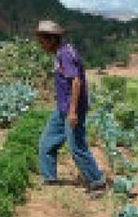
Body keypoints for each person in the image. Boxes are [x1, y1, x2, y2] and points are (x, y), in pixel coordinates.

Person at [34, 19, 106, 194]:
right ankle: (49, 178)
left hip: (71, 110)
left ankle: (97, 182)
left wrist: (73, 111)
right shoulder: (62, 52)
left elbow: (76, 82)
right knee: (47, 142)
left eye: (41, 41)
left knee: (76, 147)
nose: (40, 44)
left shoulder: (65, 54)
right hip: (62, 108)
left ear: (51, 39)